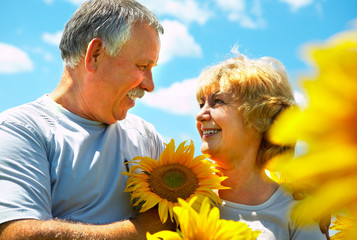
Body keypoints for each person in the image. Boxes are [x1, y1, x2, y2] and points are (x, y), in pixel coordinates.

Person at [0, 0, 175, 239]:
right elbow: (16, 235)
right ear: (95, 54)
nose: (149, 85)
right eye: (142, 66)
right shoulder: (22, 130)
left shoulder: (146, 136)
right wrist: (143, 230)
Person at [195, 49, 328, 239]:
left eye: (217, 102)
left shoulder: (298, 211)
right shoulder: (181, 194)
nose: (200, 115)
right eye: (201, 104)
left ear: (260, 118)